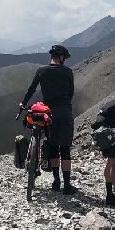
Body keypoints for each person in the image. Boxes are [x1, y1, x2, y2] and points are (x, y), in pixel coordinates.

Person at [20, 45, 76, 194]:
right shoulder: (68, 72)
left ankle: (56, 182)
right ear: (61, 57)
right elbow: (71, 93)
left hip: (48, 113)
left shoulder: (41, 71)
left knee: (53, 147)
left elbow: (31, 89)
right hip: (65, 112)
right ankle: (67, 186)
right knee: (65, 149)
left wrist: (23, 103)